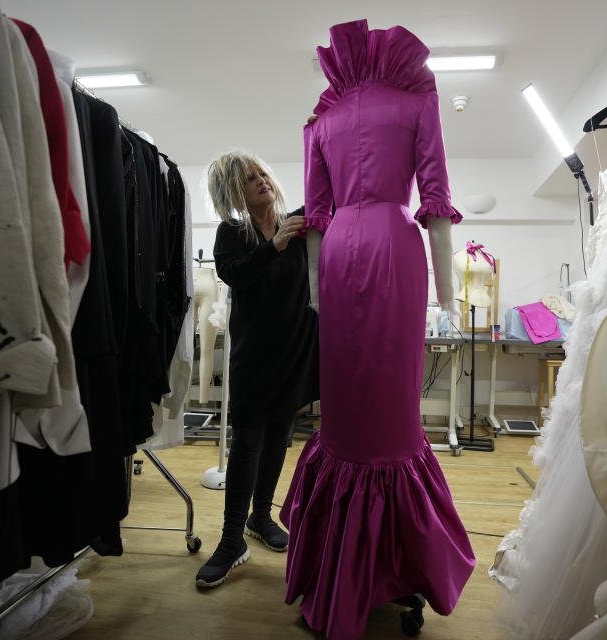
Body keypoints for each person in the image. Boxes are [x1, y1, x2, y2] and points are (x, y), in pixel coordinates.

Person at [280, 19, 475, 640]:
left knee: (349, 410)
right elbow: (437, 203)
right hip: (394, 245)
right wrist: (449, 298)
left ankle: (343, 565)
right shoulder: (418, 99)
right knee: (391, 410)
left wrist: (316, 295)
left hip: (339, 252)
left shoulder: (321, 120)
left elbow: (315, 219)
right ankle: (396, 562)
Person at [195, 151, 319, 588]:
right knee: (247, 443)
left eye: (263, 173)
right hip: (254, 356)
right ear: (234, 191)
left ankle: (260, 517)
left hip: (296, 351)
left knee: (279, 438)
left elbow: (337, 191)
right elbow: (235, 275)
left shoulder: (301, 221)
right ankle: (231, 541)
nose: (262, 181)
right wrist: (275, 244)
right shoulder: (232, 233)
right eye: (250, 179)